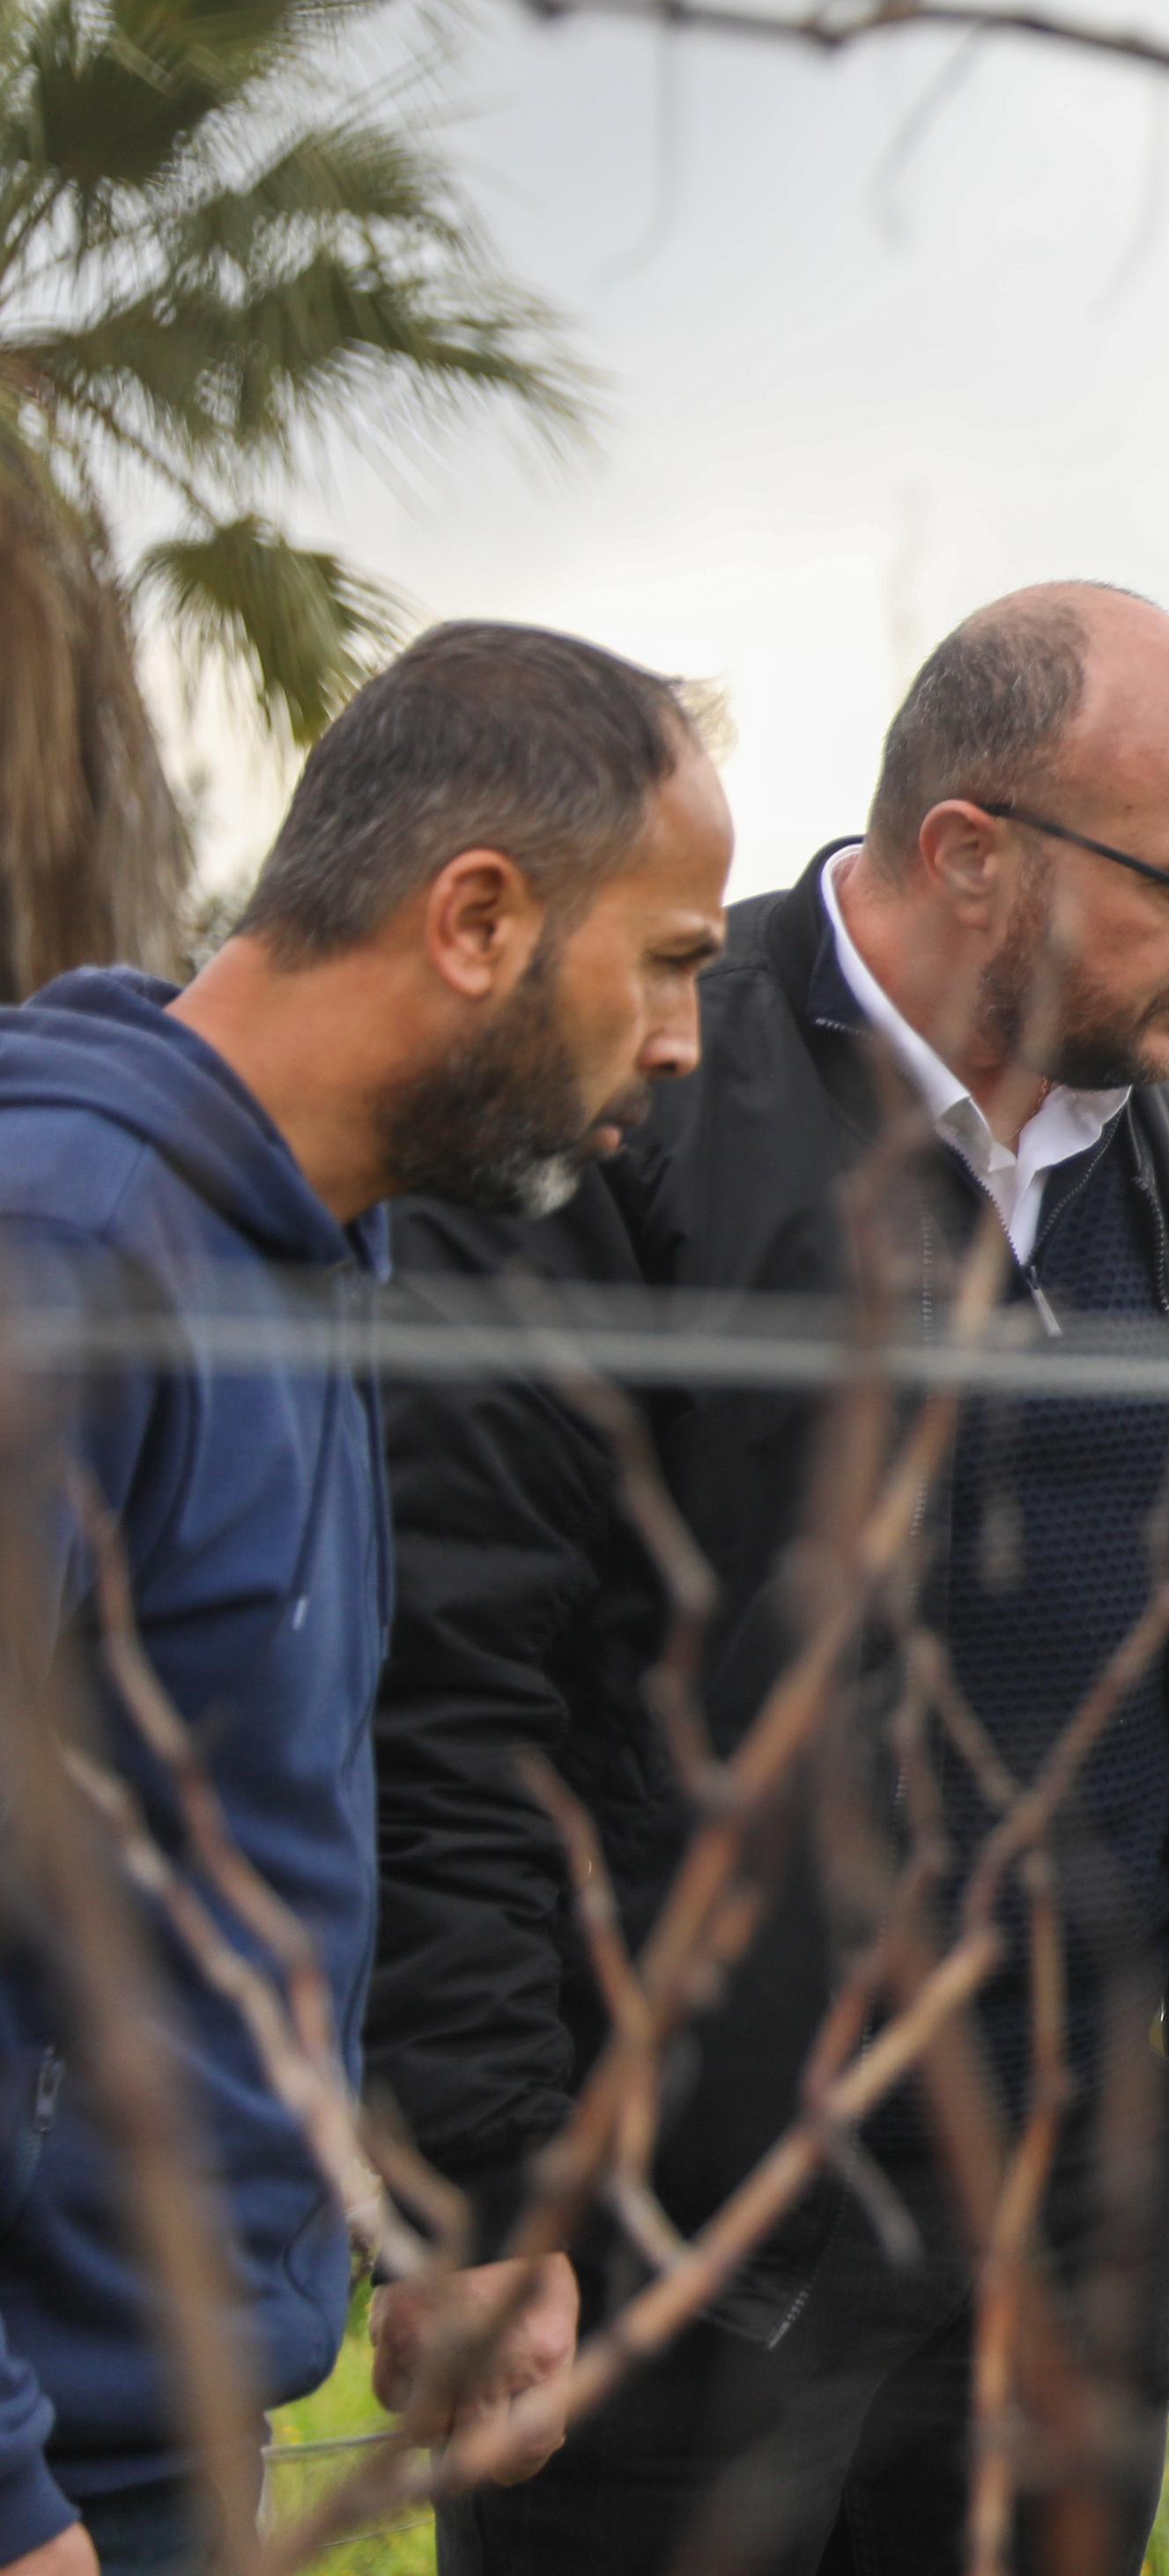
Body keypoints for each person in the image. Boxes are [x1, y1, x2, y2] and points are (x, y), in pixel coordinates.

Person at [367, 584, 1169, 2576]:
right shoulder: (635, 1101)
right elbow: (449, 1679)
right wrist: (477, 2188)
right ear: (970, 856)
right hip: (692, 2224)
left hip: (1074, 2207)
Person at [0, 625, 729, 2576]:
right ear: (480, 920)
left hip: (158, 2419)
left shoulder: (312, 1256)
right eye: (666, 960)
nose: (679, 1043)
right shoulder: (66, 1253)